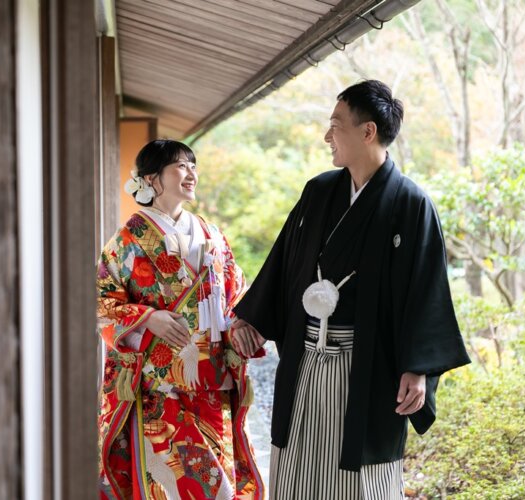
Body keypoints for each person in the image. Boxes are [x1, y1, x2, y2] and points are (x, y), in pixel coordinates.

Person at [231, 80, 471, 499]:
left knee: (359, 477)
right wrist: (250, 318)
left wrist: (418, 367)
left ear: (368, 132)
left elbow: (426, 293)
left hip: (367, 367)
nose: (328, 136)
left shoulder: (411, 203)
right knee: (298, 463)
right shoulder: (319, 191)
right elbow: (284, 262)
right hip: (306, 358)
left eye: (335, 125)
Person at [97, 140, 264, 499]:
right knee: (173, 485)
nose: (191, 174)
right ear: (151, 179)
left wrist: (240, 325)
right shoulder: (127, 240)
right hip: (159, 386)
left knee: (219, 483)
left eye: (193, 166)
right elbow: (101, 301)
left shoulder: (212, 235)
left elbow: (235, 293)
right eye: (180, 166)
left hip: (213, 379)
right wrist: (147, 318)